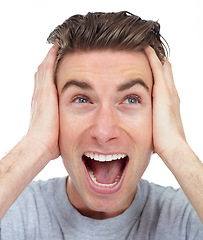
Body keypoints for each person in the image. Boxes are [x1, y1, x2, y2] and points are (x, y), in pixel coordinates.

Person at [0, 11, 202, 239]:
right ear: (52, 111)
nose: (104, 132)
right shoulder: (12, 213)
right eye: (82, 99)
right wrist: (34, 144)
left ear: (159, 114)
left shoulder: (188, 218)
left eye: (131, 99)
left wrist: (176, 147)